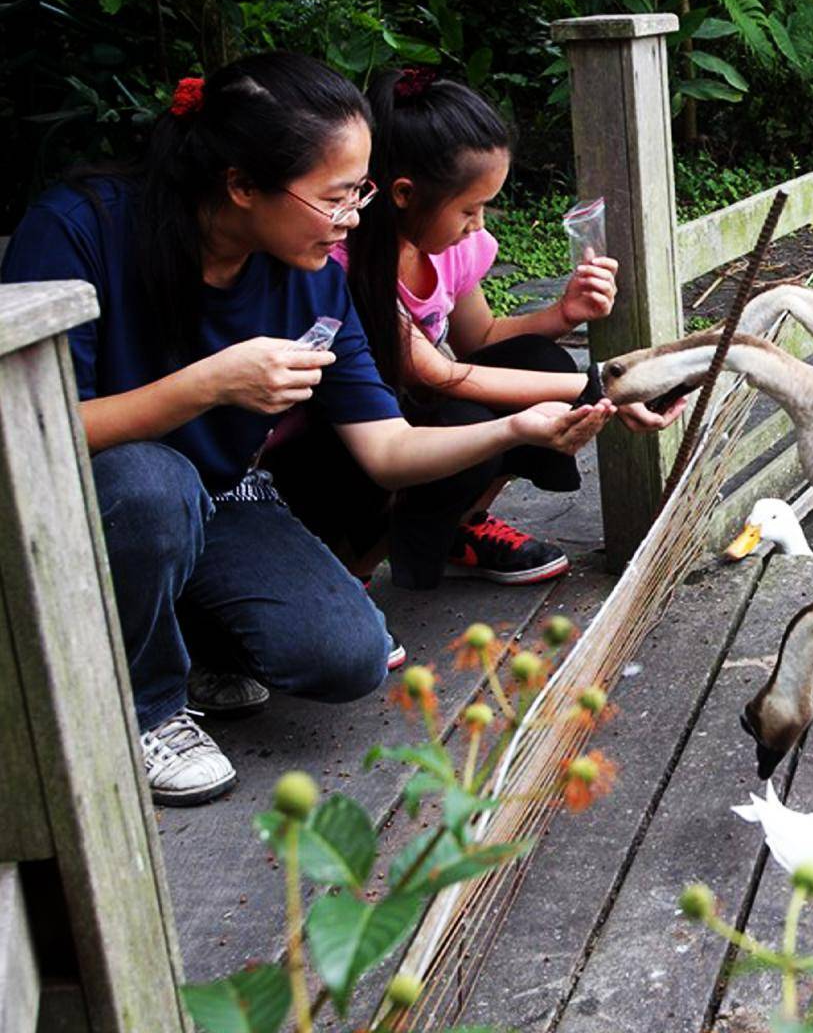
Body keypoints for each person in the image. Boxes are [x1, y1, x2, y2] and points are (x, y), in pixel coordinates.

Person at [1, 53, 615, 806]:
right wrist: (208, 384)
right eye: (336, 197)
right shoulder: (81, 230)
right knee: (149, 482)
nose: (355, 218)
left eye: (360, 191)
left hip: (225, 498)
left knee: (348, 658)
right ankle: (146, 709)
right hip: (85, 505)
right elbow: (32, 431)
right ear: (241, 185)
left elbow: (386, 451)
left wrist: (518, 428)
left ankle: (182, 642)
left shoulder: (315, 268)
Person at [264, 68, 680, 590]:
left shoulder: (455, 248)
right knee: (465, 416)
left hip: (413, 413)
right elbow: (436, 373)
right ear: (402, 193)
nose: (479, 225)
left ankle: (460, 528)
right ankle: (352, 570)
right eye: (469, 208)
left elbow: (478, 340)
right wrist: (604, 387)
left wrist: (563, 314)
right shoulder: (340, 265)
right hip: (341, 444)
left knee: (539, 358)